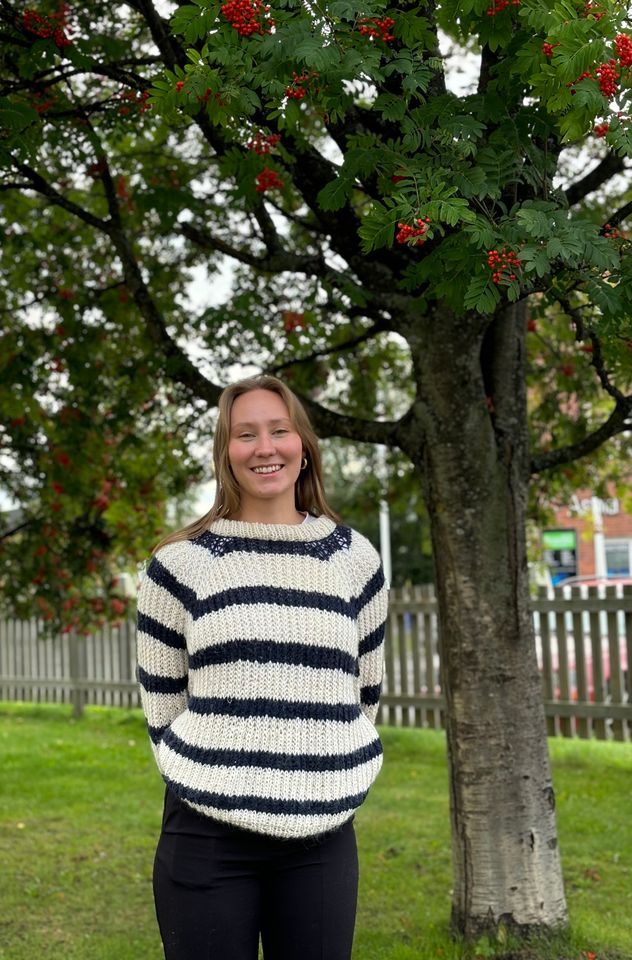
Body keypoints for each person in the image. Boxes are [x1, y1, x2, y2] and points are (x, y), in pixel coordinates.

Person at [135, 374, 387, 960]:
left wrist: (320, 770)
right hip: (206, 834)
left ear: (304, 446)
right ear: (225, 452)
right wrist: (211, 773)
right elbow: (162, 700)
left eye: (279, 430)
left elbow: (364, 693)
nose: (264, 448)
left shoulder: (355, 560)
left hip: (322, 836)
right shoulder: (179, 564)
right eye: (245, 434)